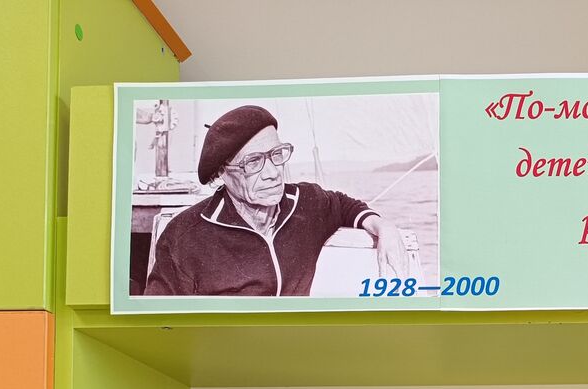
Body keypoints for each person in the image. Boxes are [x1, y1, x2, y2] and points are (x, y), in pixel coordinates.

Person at [144, 104, 409, 296]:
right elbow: (159, 323)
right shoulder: (184, 237)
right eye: (254, 162)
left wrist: (383, 226)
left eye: (276, 154)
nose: (272, 173)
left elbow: (344, 206)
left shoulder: (305, 202)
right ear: (222, 173)